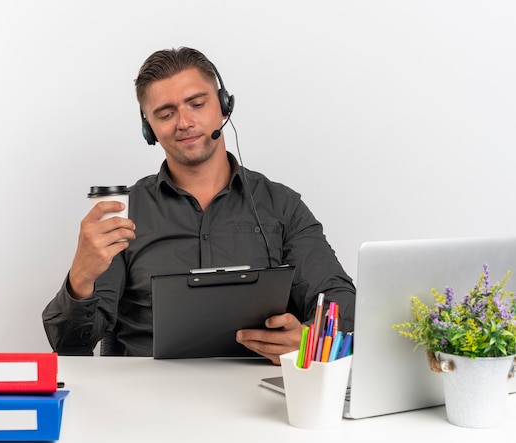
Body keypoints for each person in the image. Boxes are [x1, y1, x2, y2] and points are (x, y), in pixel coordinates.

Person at [42, 47, 356, 365]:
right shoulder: (124, 213)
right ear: (148, 128)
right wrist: (80, 278)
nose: (185, 122)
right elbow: (70, 346)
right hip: (146, 399)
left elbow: (341, 303)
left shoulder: (282, 205)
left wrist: (308, 338)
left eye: (197, 104)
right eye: (166, 114)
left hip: (259, 393)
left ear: (223, 107)